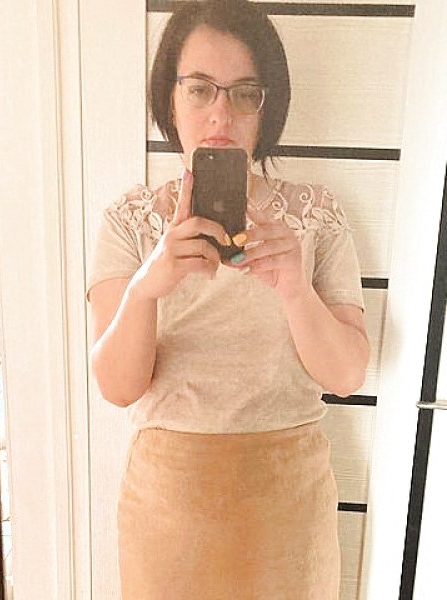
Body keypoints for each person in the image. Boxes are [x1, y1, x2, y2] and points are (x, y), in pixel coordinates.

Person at [87, 0, 370, 598]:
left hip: (288, 508)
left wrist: (295, 288)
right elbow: (117, 386)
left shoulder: (315, 217)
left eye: (245, 93)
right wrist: (148, 286)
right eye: (199, 89)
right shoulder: (130, 221)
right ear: (169, 97)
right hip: (168, 512)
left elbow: (347, 375)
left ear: (269, 106)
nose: (221, 112)